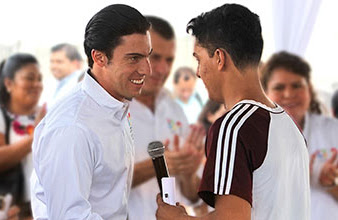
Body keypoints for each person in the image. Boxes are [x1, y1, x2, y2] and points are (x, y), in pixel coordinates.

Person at [156, 4, 310, 220]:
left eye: (199, 59)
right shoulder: (290, 126)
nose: (198, 72)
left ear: (219, 58)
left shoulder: (233, 127)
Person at [30, 4, 152, 219]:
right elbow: (69, 216)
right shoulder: (73, 127)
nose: (146, 69)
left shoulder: (114, 105)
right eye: (134, 58)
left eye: (146, 56)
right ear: (99, 58)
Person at [128, 16, 205, 220]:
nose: (162, 69)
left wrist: (188, 174)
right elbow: (97, 184)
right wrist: (159, 164)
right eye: (155, 57)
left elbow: (192, 196)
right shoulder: (112, 109)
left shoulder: (174, 110)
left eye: (169, 60)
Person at [260, 51, 338, 220]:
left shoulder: (333, 131)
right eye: (279, 87)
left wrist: (331, 184)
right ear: (265, 93)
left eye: (297, 86)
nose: (288, 94)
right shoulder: (253, 136)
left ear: (309, 89)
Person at [0, 53, 46, 220]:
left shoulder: (48, 114)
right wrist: (37, 134)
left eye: (39, 79)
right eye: (29, 78)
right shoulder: (2, 116)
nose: (37, 84)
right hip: (13, 211)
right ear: (9, 83)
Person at [48, 43, 83, 108]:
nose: (54, 66)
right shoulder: (53, 82)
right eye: (52, 61)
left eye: (59, 62)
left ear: (74, 63)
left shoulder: (80, 83)